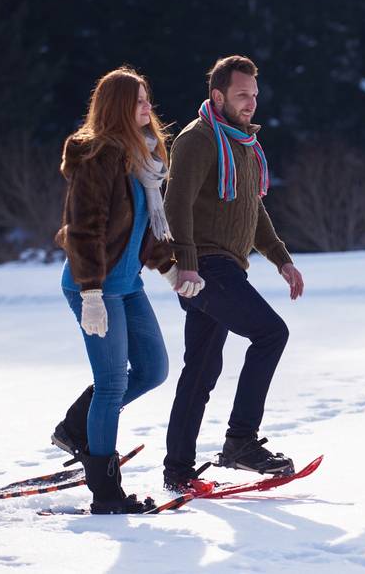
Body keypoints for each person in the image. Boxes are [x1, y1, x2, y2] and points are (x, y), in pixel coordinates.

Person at [52, 66, 203, 514]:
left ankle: (78, 426)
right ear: (117, 107)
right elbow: (84, 230)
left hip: (127, 284)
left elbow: (143, 230)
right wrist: (92, 294)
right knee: (112, 383)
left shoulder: (144, 158)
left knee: (153, 369)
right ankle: (106, 491)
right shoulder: (97, 156)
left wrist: (171, 272)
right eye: (138, 101)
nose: (147, 108)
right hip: (93, 286)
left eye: (146, 99)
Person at [161, 55, 305, 492]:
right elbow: (175, 204)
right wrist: (183, 265)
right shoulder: (198, 140)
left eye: (255, 95)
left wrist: (280, 257)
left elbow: (252, 209)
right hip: (205, 266)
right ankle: (240, 442)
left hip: (225, 266)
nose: (251, 103)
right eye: (242, 95)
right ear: (218, 95)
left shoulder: (240, 144)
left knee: (201, 370)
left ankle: (178, 469)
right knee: (270, 334)